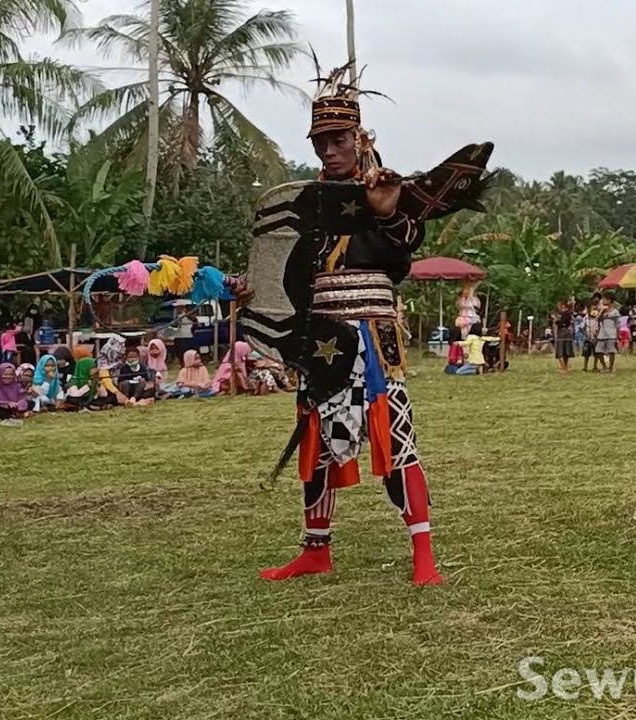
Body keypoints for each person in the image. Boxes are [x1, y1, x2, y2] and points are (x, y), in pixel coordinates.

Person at [238, 61, 494, 584]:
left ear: (359, 137)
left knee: (394, 438)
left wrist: (384, 210)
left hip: (373, 338)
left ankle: (424, 556)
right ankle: (316, 549)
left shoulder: (387, 192)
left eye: (336, 140)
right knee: (316, 438)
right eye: (319, 142)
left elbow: (400, 256)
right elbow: (286, 273)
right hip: (320, 335)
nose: (327, 150)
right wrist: (254, 294)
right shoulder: (306, 205)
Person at [597, 296, 620, 373]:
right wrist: (602, 312)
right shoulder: (602, 310)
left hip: (611, 333)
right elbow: (598, 319)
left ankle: (611, 367)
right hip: (602, 333)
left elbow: (617, 323)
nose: (603, 301)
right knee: (598, 350)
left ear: (610, 300)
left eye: (605, 299)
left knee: (611, 350)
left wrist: (618, 334)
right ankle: (604, 366)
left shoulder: (615, 312)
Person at [553, 300, 574, 373]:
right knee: (566, 350)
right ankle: (565, 366)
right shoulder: (569, 313)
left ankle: (563, 367)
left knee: (560, 350)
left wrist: (556, 320)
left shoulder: (562, 314)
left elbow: (559, 322)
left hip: (562, 331)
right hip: (567, 331)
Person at [581, 305, 600, 372]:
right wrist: (586, 334)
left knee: (596, 353)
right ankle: (585, 367)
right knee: (586, 353)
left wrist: (597, 334)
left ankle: (595, 366)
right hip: (587, 339)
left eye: (595, 309)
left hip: (595, 338)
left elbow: (599, 327)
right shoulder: (586, 318)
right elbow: (582, 328)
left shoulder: (598, 318)